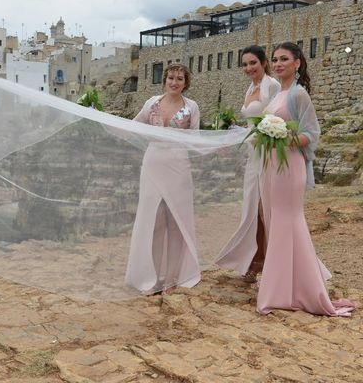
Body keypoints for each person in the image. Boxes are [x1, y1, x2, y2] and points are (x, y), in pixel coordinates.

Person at [255, 42, 354, 316]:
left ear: (297, 63)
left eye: (284, 59)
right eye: (274, 59)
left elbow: (311, 135)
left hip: (290, 166)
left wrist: (282, 136)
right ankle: (285, 286)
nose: (278, 64)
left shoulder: (299, 95)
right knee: (274, 220)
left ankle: (293, 290)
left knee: (289, 220)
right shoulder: (277, 94)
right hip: (271, 164)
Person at [125, 63, 201, 294]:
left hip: (178, 165)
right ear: (165, 80)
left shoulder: (192, 106)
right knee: (154, 222)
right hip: (153, 163)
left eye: (179, 78)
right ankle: (153, 275)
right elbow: (133, 126)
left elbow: (196, 137)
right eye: (170, 78)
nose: (174, 82)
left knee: (175, 222)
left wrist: (217, 145)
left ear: (185, 83)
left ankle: (173, 277)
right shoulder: (152, 103)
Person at [215, 45, 280, 280]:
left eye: (253, 63)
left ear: (264, 62)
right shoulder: (250, 87)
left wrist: (258, 136)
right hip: (253, 155)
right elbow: (252, 124)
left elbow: (276, 119)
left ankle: (268, 261)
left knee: (264, 209)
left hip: (266, 152)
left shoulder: (271, 85)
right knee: (252, 207)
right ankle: (254, 258)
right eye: (244, 64)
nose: (249, 68)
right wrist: (232, 133)